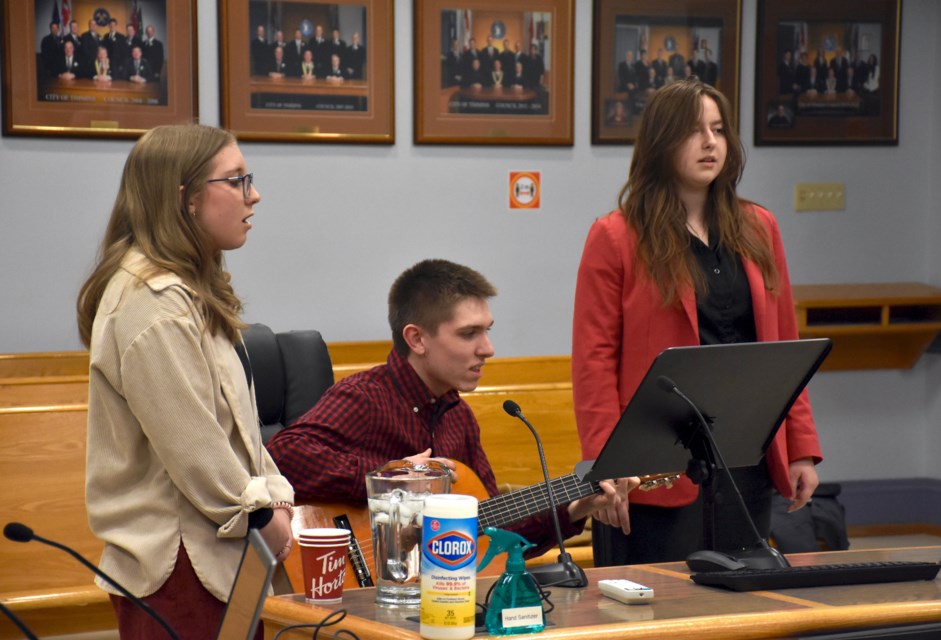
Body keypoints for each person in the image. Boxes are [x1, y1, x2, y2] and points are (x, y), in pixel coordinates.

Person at [571, 78, 822, 567]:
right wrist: (608, 466)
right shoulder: (616, 236)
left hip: (745, 457)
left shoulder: (759, 227)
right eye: (693, 131)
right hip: (654, 469)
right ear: (662, 142)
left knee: (744, 606)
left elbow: (784, 347)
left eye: (719, 129)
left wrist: (801, 448)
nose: (711, 142)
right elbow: (594, 362)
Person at [76, 124, 294, 639]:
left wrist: (274, 494)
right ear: (186, 198)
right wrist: (261, 513)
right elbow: (193, 443)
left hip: (220, 556)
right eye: (236, 180)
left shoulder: (186, 289)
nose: (254, 194)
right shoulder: (151, 299)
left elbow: (236, 425)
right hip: (178, 564)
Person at [267, 259, 636, 560]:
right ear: (417, 338)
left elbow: (491, 529)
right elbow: (282, 456)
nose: (488, 348)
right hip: (355, 584)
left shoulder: (458, 418)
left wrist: (573, 509)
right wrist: (393, 480)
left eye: (488, 331)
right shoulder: (365, 397)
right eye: (468, 334)